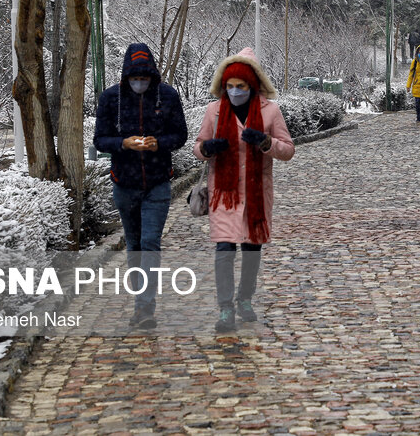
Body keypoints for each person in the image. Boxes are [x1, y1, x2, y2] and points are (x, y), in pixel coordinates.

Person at [193, 47, 295, 333]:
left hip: (256, 192)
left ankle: (245, 300)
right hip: (223, 191)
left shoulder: (270, 111)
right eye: (230, 86)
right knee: (224, 249)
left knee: (252, 248)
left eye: (241, 86)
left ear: (252, 85)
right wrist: (206, 148)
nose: (235, 91)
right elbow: (198, 146)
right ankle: (225, 308)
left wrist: (265, 143)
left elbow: (288, 150)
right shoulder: (214, 111)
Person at [94, 43, 188, 330]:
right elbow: (100, 140)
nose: (139, 84)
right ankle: (141, 298)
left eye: (144, 79)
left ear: (152, 77)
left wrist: (158, 143)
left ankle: (145, 308)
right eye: (135, 79)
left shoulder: (167, 96)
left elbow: (180, 135)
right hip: (125, 183)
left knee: (149, 244)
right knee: (134, 246)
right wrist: (124, 143)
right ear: (126, 77)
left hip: (158, 182)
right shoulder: (111, 98)